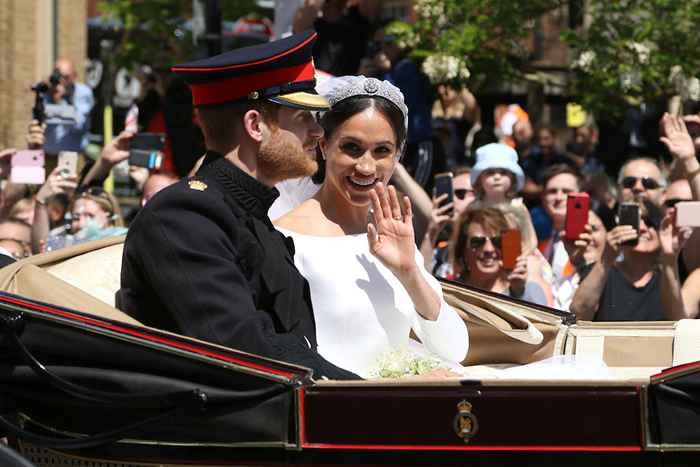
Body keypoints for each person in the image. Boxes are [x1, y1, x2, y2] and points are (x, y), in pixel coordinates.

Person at [117, 31, 359, 380]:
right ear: (255, 125)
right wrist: (356, 389)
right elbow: (244, 351)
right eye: (304, 117)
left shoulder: (251, 215)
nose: (317, 133)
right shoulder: (183, 217)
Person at [274, 76, 468, 377]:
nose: (366, 167)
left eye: (382, 151)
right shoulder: (287, 238)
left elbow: (455, 350)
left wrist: (409, 272)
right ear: (324, 145)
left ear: (398, 155)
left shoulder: (393, 236)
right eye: (352, 148)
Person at [569, 200, 691, 321]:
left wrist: (670, 257)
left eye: (649, 222)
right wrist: (606, 258)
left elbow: (679, 322)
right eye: (634, 222)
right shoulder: (602, 271)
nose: (642, 228)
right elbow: (578, 315)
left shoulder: (670, 277)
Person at [448, 206, 548, 306]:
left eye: (497, 241)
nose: (488, 249)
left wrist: (518, 293)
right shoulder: (448, 292)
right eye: (477, 242)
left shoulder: (530, 291)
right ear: (463, 250)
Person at [420, 166, 475, 275]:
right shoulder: (440, 252)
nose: (452, 200)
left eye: (460, 193)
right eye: (449, 194)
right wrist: (431, 233)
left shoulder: (494, 244)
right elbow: (420, 278)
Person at [42, 58, 95, 155]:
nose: (61, 81)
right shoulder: (46, 93)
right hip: (47, 155)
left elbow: (79, 125)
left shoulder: (82, 92)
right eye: (58, 76)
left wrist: (61, 103)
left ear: (74, 76)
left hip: (72, 156)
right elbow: (39, 123)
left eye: (65, 77)